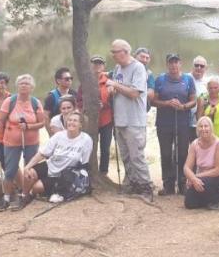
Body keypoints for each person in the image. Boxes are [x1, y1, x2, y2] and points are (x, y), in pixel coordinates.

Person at [109, 39, 154, 201]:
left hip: (134, 120)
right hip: (120, 119)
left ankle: (146, 188)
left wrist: (115, 84)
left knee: (137, 157)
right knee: (126, 156)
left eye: (115, 52)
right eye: (112, 52)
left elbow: (135, 93)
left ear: (125, 52)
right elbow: (118, 87)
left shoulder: (138, 68)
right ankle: (132, 183)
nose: (112, 55)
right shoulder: (117, 68)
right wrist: (112, 88)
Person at [0, 74, 47, 211]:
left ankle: (25, 195)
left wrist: (29, 126)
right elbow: (0, 120)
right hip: (11, 141)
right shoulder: (9, 101)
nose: (24, 86)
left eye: (27, 84)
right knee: (10, 170)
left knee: (28, 169)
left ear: (31, 88)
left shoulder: (35, 102)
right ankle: (6, 198)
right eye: (21, 83)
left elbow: (42, 123)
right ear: (17, 86)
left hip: (31, 141)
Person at [23, 111, 94, 203]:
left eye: (75, 121)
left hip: (63, 174)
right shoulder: (59, 136)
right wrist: (27, 166)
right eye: (70, 120)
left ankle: (36, 193)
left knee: (37, 187)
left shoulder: (86, 139)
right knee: (30, 173)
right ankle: (24, 196)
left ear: (80, 124)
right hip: (51, 165)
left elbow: (84, 163)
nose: (71, 122)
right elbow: (42, 153)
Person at [152, 53, 197, 195]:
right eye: (171, 62)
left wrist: (183, 106)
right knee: (165, 154)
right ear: (167, 64)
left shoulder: (188, 79)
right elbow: (153, 101)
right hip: (164, 123)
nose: (173, 65)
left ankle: (183, 183)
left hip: (183, 122)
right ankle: (168, 184)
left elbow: (194, 100)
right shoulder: (160, 79)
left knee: (182, 153)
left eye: (176, 62)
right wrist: (167, 103)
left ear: (180, 64)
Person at [183, 117, 219, 210]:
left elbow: (218, 170)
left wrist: (196, 177)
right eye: (201, 126)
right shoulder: (194, 144)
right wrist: (193, 178)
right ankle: (207, 199)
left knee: (204, 183)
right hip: (202, 177)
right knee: (189, 203)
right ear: (197, 129)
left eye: (206, 126)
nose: (203, 129)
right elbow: (186, 167)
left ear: (211, 128)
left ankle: (216, 198)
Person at [81, 55, 114, 176]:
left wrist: (105, 104)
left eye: (100, 64)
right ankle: (88, 172)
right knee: (90, 147)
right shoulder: (85, 81)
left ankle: (103, 173)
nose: (97, 66)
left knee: (105, 149)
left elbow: (114, 101)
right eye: (95, 63)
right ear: (90, 65)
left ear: (103, 66)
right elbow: (79, 100)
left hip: (106, 120)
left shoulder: (109, 80)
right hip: (90, 120)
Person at [189, 55, 209, 141]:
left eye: (202, 66)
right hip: (184, 122)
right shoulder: (185, 78)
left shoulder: (207, 83)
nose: (199, 68)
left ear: (206, 68)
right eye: (196, 65)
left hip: (199, 124)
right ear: (192, 66)